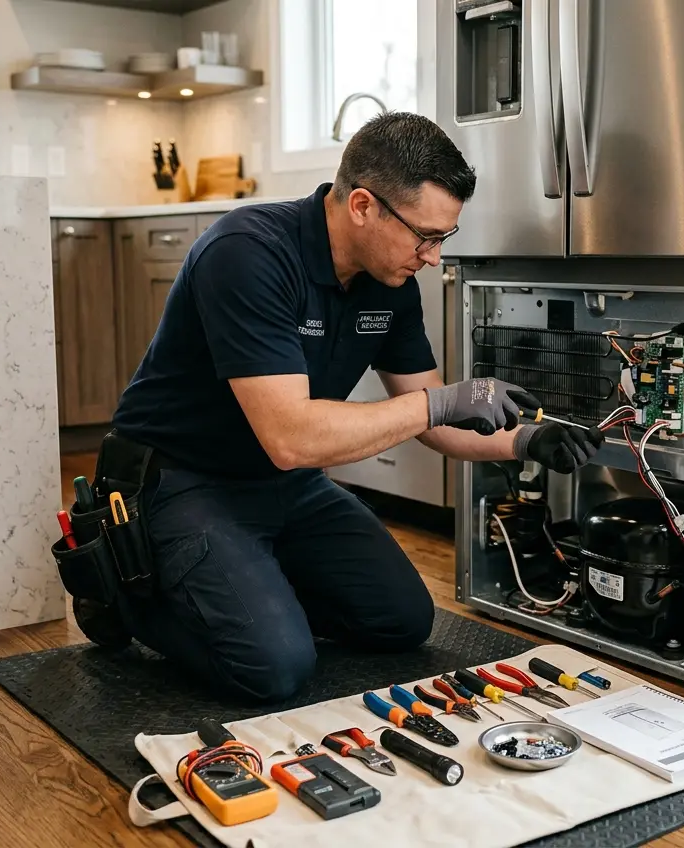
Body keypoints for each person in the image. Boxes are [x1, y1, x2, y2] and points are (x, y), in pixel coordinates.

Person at [96, 112, 603, 701]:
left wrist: (524, 441)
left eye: (445, 237)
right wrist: (440, 404)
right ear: (363, 205)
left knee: (403, 621)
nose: (433, 257)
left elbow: (437, 424)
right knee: (274, 668)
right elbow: (294, 437)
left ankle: (251, 592)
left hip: (286, 484)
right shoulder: (247, 253)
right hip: (183, 481)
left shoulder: (388, 283)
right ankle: (122, 596)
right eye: (426, 236)